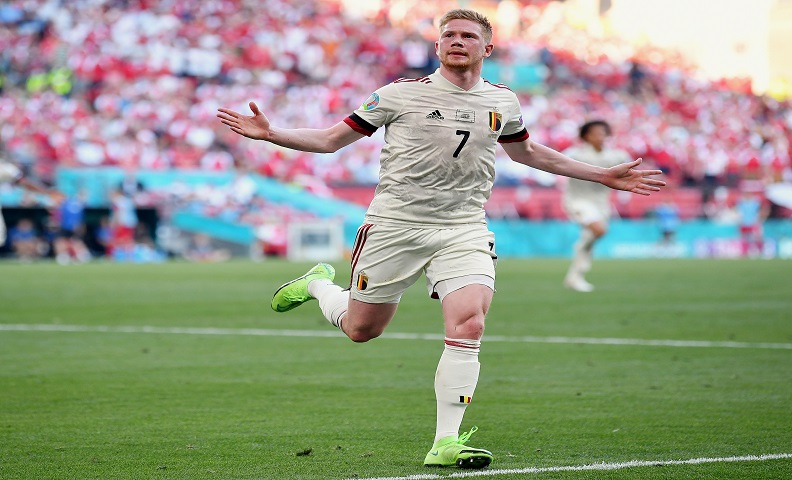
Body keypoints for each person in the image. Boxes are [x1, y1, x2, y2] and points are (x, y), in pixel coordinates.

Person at [217, 9, 664, 470]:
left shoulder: (502, 100)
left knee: (469, 324)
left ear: (486, 48)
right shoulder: (399, 94)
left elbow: (528, 152)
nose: (456, 41)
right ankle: (317, 285)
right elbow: (331, 140)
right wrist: (272, 134)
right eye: (448, 34)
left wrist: (601, 174)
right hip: (395, 224)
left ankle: (445, 442)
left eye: (467, 35)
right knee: (361, 330)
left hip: (463, 226)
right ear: (437, 46)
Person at [561, 120, 632, 292]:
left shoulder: (616, 156)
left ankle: (575, 276)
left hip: (601, 204)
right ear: (586, 136)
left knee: (590, 238)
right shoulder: (574, 154)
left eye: (603, 133)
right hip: (578, 202)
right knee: (599, 230)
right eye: (596, 133)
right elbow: (552, 164)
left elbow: (633, 170)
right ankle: (578, 261)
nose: (601, 136)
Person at [0, 158, 60, 250]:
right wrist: (46, 192)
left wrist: (45, 192)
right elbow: (23, 182)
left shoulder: (4, 168)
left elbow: (21, 181)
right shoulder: (4, 168)